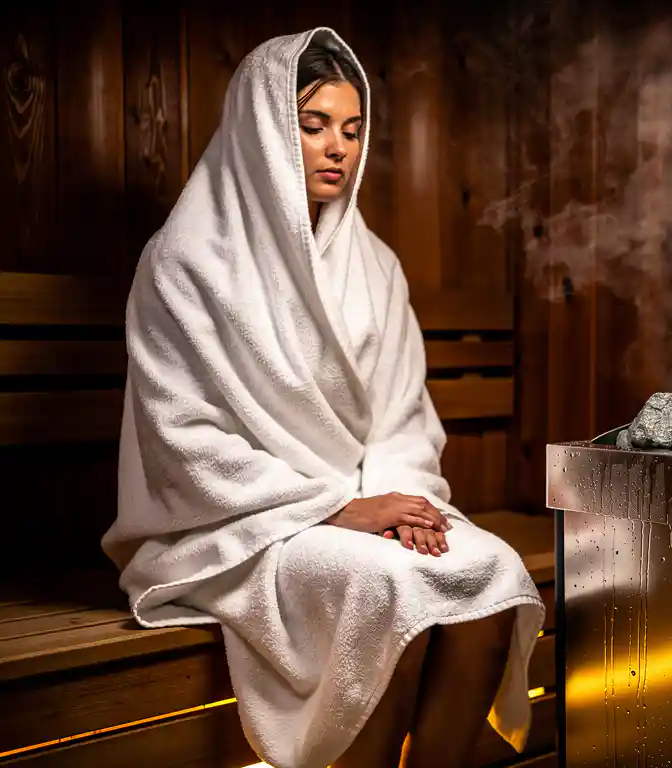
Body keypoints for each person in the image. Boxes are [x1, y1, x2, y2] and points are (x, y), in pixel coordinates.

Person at [101, 27, 545, 768]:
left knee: (494, 571)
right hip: (236, 526)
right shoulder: (185, 261)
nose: (337, 147)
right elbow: (182, 437)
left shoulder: (374, 264)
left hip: (367, 506)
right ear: (262, 131)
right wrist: (335, 508)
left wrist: (400, 504)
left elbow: (403, 415)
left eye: (351, 129)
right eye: (311, 127)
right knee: (393, 591)